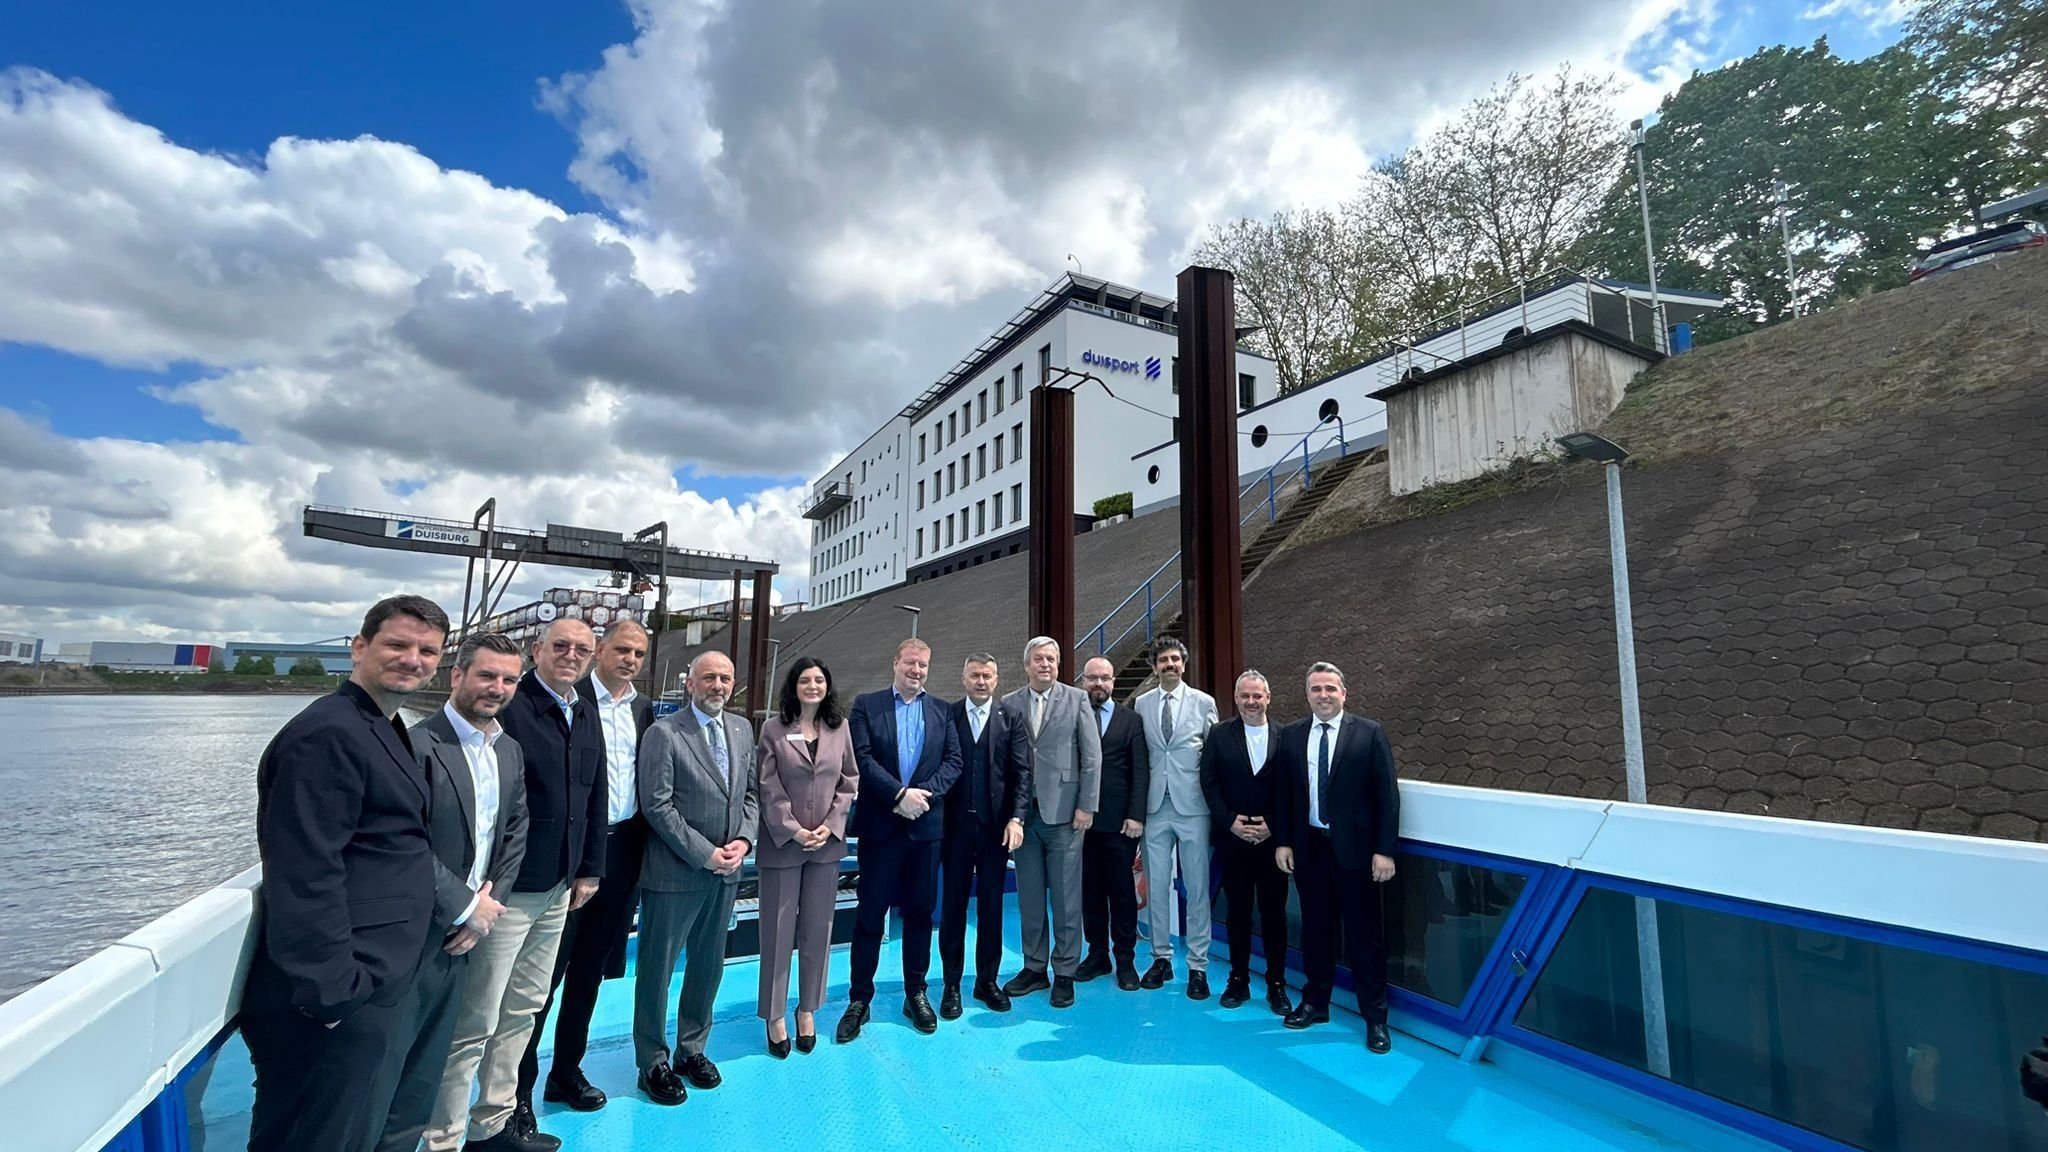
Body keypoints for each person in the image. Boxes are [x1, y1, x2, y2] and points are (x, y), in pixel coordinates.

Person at [243, 594, 448, 1152]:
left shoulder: (381, 725)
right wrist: (333, 993)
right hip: (335, 997)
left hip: (371, 982)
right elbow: (306, 868)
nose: (413, 659)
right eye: (398, 645)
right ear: (359, 647)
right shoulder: (327, 734)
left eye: (427, 650)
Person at [424, 619, 605, 1152]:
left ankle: (493, 1125)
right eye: (561, 646)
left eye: (581, 649)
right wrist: (482, 896)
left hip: (556, 887)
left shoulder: (582, 709)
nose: (571, 655)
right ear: (537, 651)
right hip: (506, 895)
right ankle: (442, 1138)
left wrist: (588, 866)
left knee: (523, 1009)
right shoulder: (511, 708)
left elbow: (594, 792)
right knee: (475, 1019)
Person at [365, 632, 531, 1152]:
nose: (496, 688)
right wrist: (462, 907)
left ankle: (441, 1141)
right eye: (486, 675)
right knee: (394, 1061)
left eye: (507, 679)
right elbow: (403, 841)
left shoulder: (508, 750)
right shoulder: (415, 746)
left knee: (449, 1049)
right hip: (418, 927)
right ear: (456, 676)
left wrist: (487, 905)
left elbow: (514, 831)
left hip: (476, 922)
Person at [519, 620, 653, 1115]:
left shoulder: (642, 707)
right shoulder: (574, 702)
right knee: (542, 977)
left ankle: (566, 1071)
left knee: (590, 971)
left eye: (638, 653)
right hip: (570, 858)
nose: (630, 660)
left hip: (622, 851)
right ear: (601, 652)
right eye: (622, 650)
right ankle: (518, 1087)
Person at [633, 650, 757, 1105]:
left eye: (725, 678)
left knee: (708, 966)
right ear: (690, 683)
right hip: (676, 872)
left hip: (726, 872)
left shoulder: (742, 729)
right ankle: (652, 1060)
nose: (718, 686)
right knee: (657, 971)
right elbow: (657, 805)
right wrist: (706, 854)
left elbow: (749, 794)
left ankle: (692, 1049)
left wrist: (743, 842)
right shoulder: (664, 734)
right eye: (709, 678)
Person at [839, 637, 963, 1042]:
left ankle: (916, 991)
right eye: (910, 663)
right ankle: (860, 999)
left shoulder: (943, 711)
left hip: (925, 830)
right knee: (870, 915)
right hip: (882, 828)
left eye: (923, 665)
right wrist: (898, 795)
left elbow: (953, 763)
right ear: (896, 663)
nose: (916, 671)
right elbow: (863, 757)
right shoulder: (866, 705)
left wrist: (921, 797)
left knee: (920, 914)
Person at [1274, 661, 1402, 1054]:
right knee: (1315, 932)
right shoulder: (1293, 735)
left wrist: (1384, 851)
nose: (1324, 695)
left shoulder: (1369, 733)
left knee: (1365, 938)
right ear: (1307, 694)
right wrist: (1283, 842)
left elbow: (1387, 797)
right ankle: (1315, 1003)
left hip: (1358, 855)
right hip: (1311, 851)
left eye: (1330, 688)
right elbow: (1285, 795)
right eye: (1316, 689)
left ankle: (1375, 1019)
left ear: (1344, 693)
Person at [754, 658, 858, 1056]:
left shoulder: (839, 728)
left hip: (825, 845)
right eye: (804, 680)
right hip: (784, 844)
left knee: (818, 931)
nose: (812, 686)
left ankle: (807, 1008)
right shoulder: (773, 729)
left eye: (819, 679)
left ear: (827, 685)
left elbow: (849, 780)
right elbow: (767, 785)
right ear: (793, 686)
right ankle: (775, 1013)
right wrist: (793, 828)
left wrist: (831, 825)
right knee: (777, 935)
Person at [1000, 637, 1101, 1009]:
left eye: (1053, 659)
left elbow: (1092, 757)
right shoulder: (1009, 703)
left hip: (1066, 815)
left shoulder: (1076, 700)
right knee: (1028, 895)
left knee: (1066, 896)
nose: (1046, 664)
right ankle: (1034, 967)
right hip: (1024, 818)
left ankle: (1065, 972)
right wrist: (1010, 812)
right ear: (1026, 664)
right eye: (1039, 659)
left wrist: (1087, 805)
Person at [939, 653, 1033, 1017]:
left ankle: (987, 981)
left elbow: (1023, 773)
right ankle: (951, 984)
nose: (981, 681)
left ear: (997, 680)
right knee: (954, 906)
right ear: (964, 678)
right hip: (955, 828)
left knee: (992, 906)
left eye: (988, 676)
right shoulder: (948, 716)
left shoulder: (1011, 718)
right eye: (975, 675)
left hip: (996, 830)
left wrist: (1017, 819)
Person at [1198, 670, 1292, 1016]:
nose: (1251, 702)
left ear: (1268, 697)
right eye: (1244, 696)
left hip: (1272, 844)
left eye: (1257, 696)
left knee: (1274, 915)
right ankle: (1238, 979)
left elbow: (1293, 788)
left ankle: (1276, 984)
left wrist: (1274, 825)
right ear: (1235, 699)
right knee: (1237, 913)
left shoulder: (1287, 736)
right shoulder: (1220, 735)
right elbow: (1208, 782)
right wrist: (1230, 822)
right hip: (1233, 840)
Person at [1133, 638, 1220, 1000]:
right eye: (1163, 660)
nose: (1169, 664)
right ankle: (1161, 958)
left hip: (1193, 806)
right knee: (1156, 885)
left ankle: (1198, 966)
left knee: (1197, 887)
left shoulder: (1204, 703)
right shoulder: (1141, 703)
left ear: (1184, 664)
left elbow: (1214, 756)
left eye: (1175, 659)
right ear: (1154, 667)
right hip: (1155, 806)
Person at [1076, 656, 1150, 992]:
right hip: (1081, 822)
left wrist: (1136, 815)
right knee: (1089, 893)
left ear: (1113, 682)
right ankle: (1097, 954)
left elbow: (1140, 770)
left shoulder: (1130, 720)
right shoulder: (1073, 716)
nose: (1099, 684)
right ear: (1083, 681)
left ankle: (1125, 960)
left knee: (1121, 894)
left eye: (1105, 678)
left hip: (1121, 824)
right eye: (1093, 678)